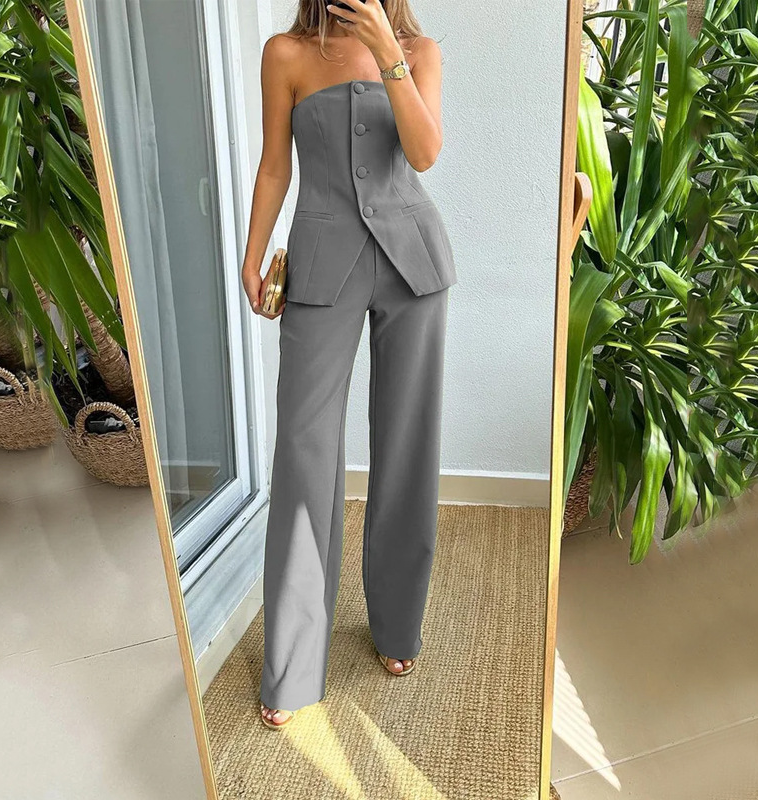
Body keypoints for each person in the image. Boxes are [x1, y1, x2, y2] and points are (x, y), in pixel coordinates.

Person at [240, 0, 457, 729]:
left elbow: (424, 154)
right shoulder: (286, 54)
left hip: (413, 266)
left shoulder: (420, 51)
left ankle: (397, 625)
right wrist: (252, 254)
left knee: (406, 445)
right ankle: (294, 665)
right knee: (304, 454)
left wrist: (387, 50)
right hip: (320, 268)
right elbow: (275, 166)